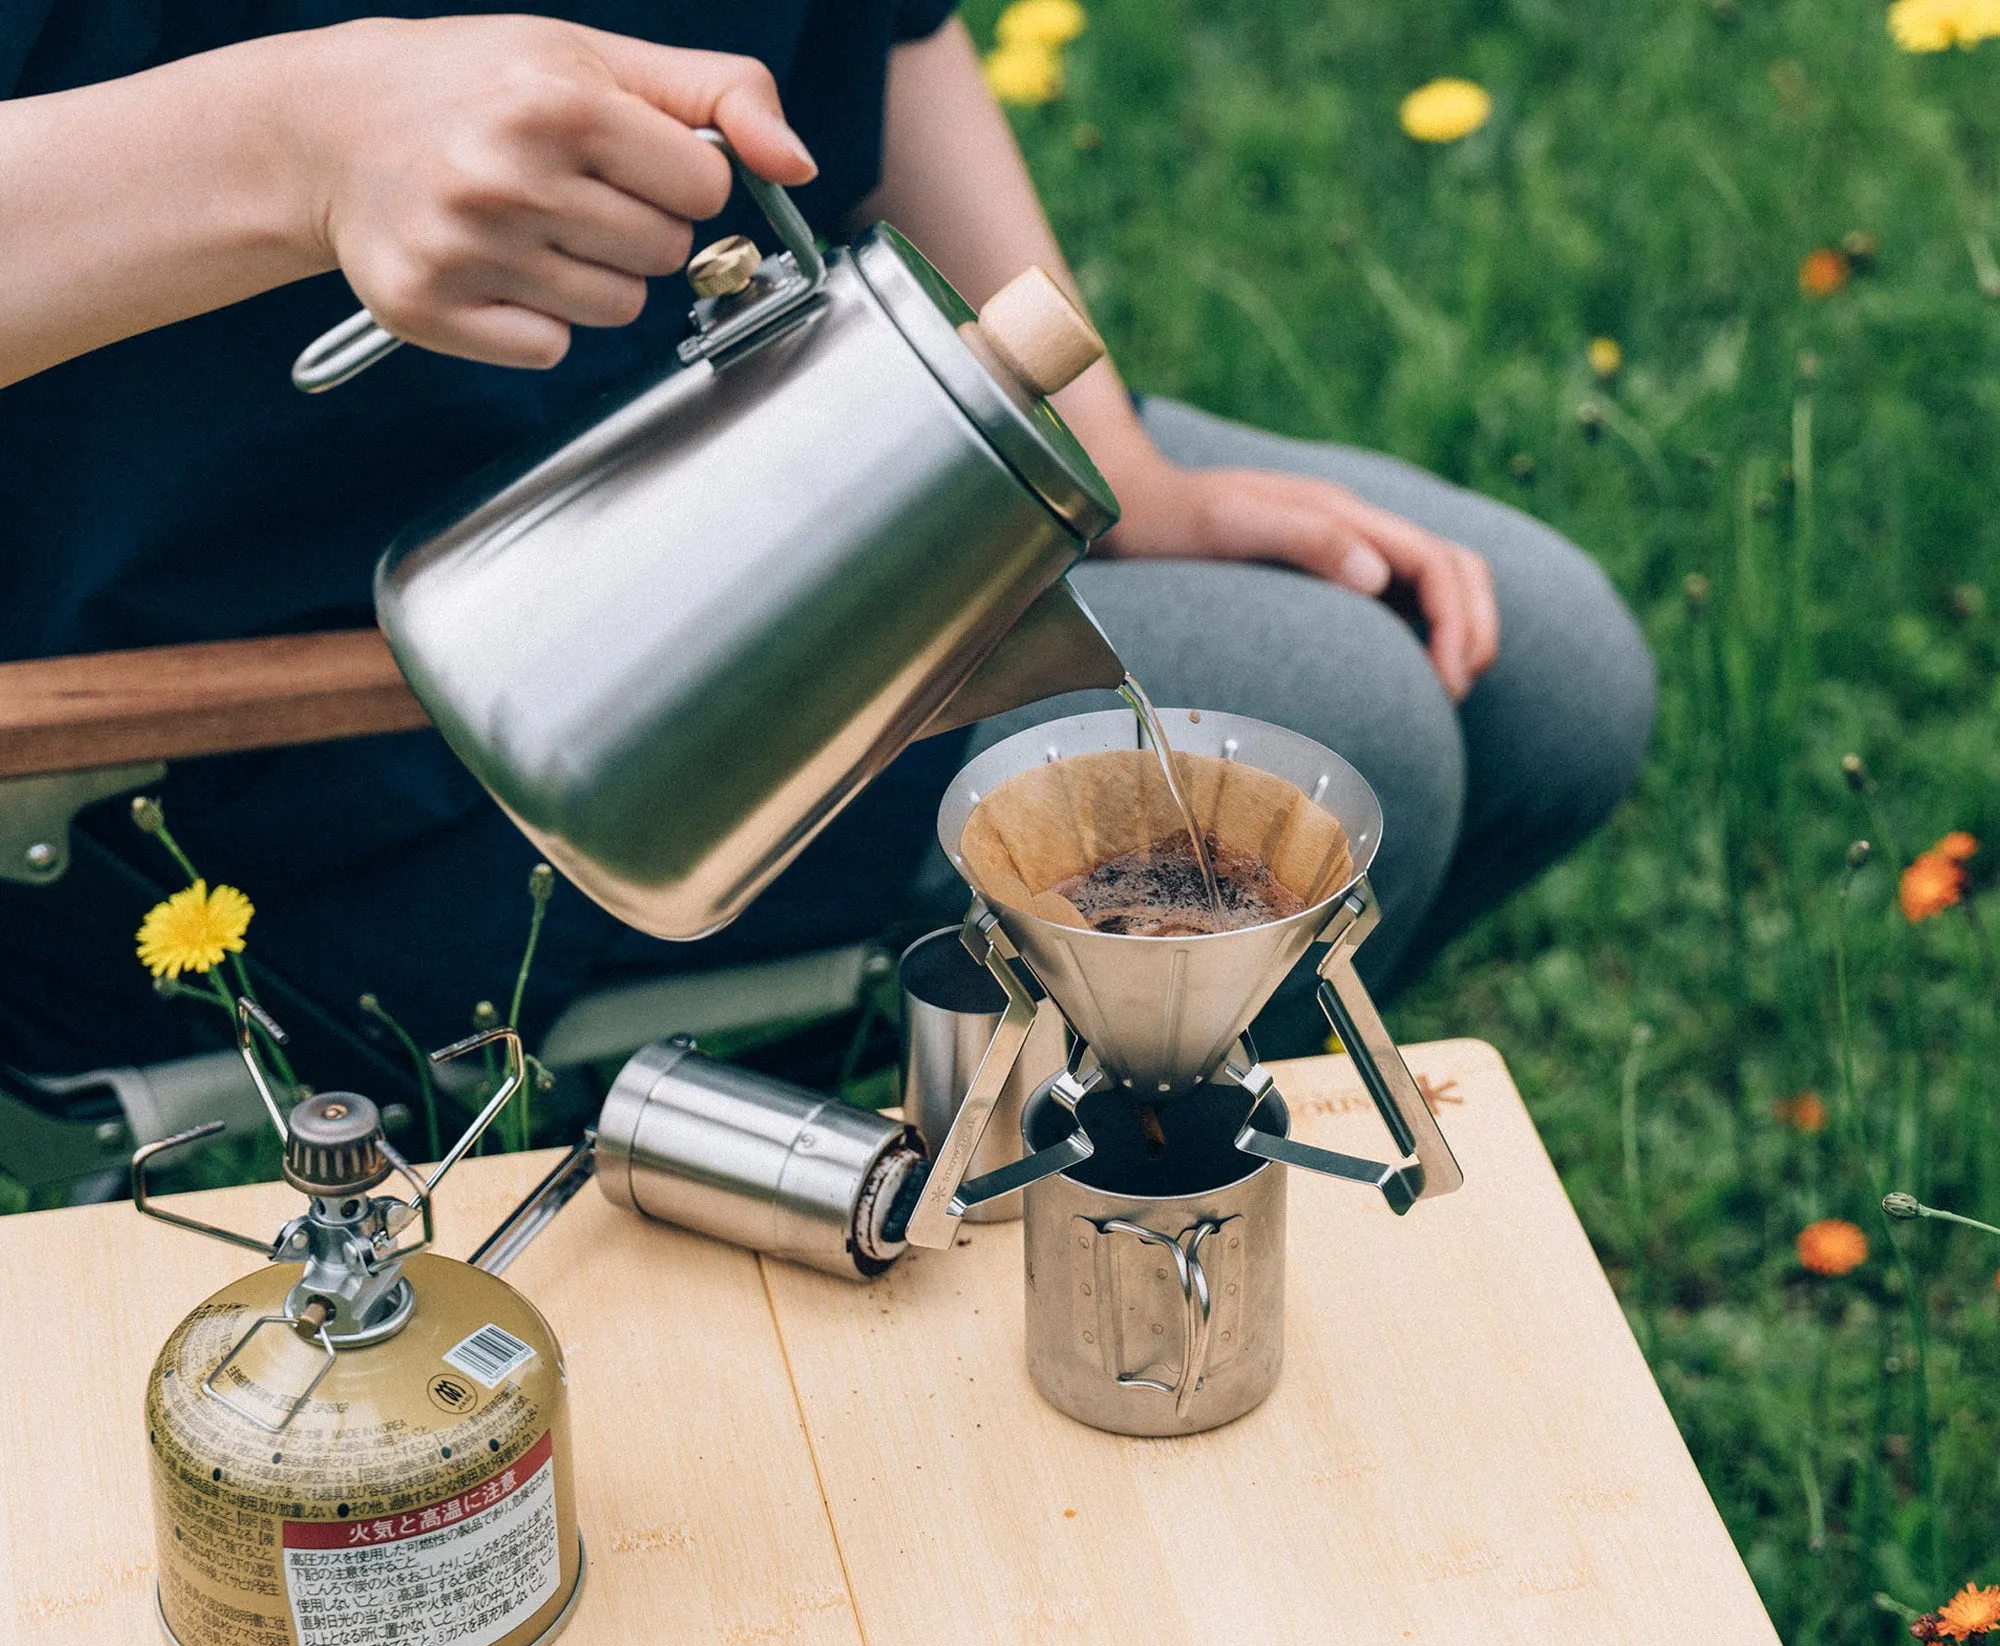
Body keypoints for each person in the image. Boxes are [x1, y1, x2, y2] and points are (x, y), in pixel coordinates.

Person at [0, 4, 1652, 1086]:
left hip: (781, 452)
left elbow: (891, 25)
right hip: (301, 732)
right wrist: (293, 147)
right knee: (1325, 745)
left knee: (1551, 680)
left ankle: (931, 1160)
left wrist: (1124, 470)